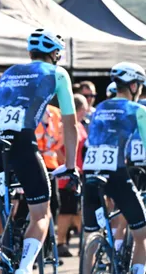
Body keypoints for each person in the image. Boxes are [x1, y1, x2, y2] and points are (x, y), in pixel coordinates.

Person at [0, 29, 79, 274]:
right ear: (56, 54)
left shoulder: (9, 72)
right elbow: (70, 125)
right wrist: (71, 165)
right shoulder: (57, 73)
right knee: (41, 213)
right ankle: (25, 267)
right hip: (21, 141)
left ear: (30, 52)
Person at [81, 62, 146, 274]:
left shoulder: (99, 108)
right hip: (116, 174)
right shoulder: (138, 109)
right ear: (134, 86)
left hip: (90, 172)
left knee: (90, 234)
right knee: (141, 233)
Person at [56, 93, 88, 257]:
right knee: (67, 211)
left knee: (76, 210)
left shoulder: (79, 124)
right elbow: (56, 147)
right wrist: (66, 164)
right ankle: (60, 242)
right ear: (80, 109)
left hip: (78, 171)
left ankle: (85, 241)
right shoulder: (65, 124)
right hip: (67, 173)